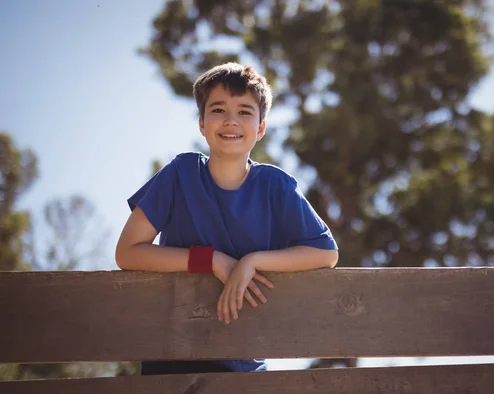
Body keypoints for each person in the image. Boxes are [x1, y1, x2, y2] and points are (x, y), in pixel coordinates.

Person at [115, 62, 339, 375]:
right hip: (172, 357)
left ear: (260, 128)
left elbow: (325, 253)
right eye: (218, 110)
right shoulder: (180, 174)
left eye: (245, 111)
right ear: (202, 123)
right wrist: (211, 260)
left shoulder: (275, 186)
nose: (231, 120)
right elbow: (127, 252)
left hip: (243, 364)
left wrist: (252, 261)